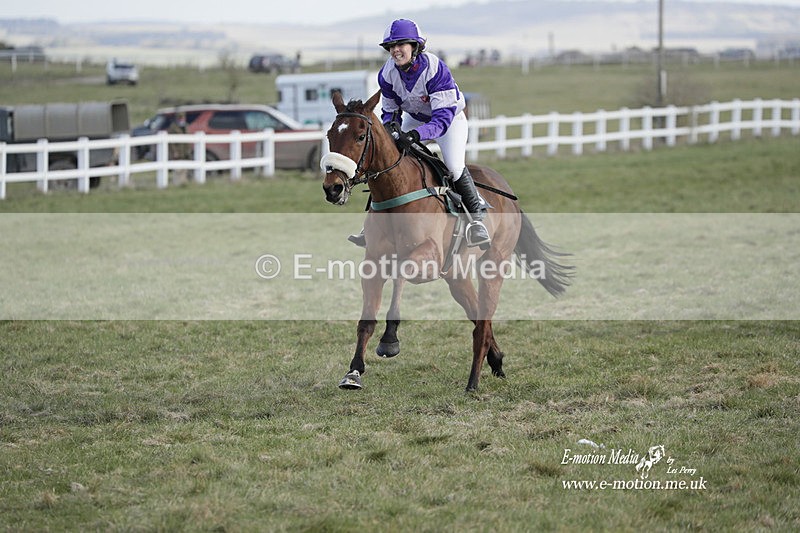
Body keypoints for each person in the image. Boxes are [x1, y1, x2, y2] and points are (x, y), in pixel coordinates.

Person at [349, 18, 490, 248]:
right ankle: (372, 224)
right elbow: (390, 111)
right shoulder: (386, 75)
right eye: (391, 46)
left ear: (415, 46)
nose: (395, 50)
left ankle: (476, 221)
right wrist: (392, 128)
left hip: (450, 120)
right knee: (388, 160)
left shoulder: (436, 69)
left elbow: (441, 119)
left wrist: (415, 136)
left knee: (454, 167)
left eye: (401, 44)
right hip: (416, 117)